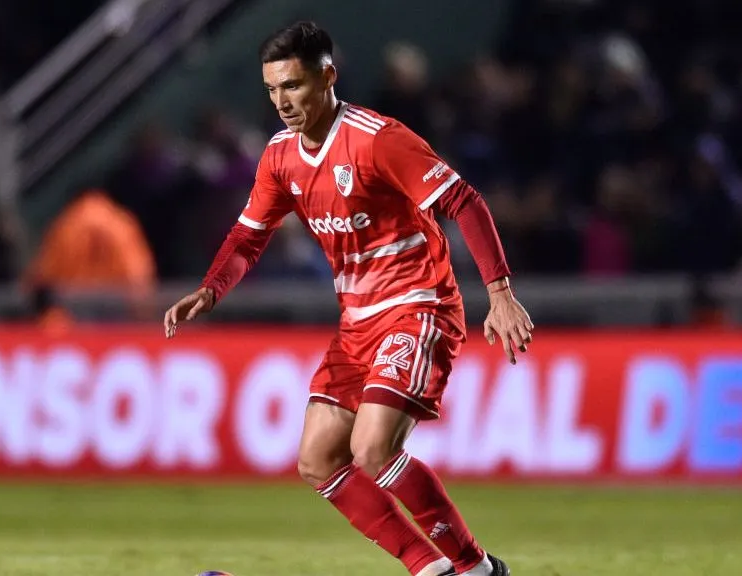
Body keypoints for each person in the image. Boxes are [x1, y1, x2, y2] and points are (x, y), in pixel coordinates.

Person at [163, 21, 533, 576]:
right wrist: (212, 288)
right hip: (357, 323)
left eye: (293, 86)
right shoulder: (281, 156)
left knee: (374, 447)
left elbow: (465, 201)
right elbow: (248, 235)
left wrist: (500, 295)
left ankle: (477, 570)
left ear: (328, 75)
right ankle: (431, 571)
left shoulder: (378, 138)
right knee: (318, 459)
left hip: (418, 305)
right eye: (272, 90)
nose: (282, 101)